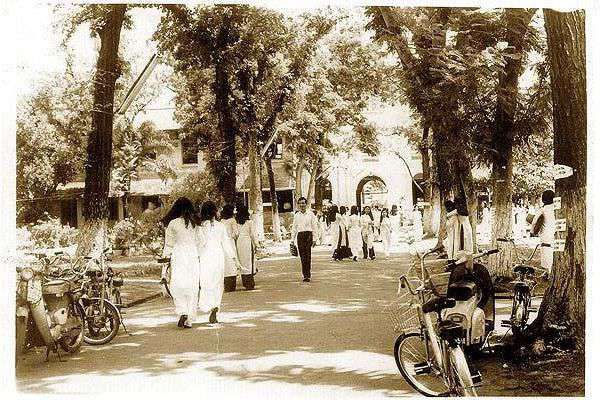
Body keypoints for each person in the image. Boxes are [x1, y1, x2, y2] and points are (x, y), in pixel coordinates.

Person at [161, 198, 203, 328]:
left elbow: (169, 244)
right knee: (192, 286)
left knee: (177, 284)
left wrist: (165, 259)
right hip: (192, 255)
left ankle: (182, 311)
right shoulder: (195, 223)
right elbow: (201, 241)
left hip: (178, 254)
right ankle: (189, 319)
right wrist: (199, 255)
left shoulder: (172, 223)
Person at [197, 201, 240, 324]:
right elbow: (226, 244)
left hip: (205, 256)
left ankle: (209, 305)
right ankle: (216, 306)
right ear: (215, 212)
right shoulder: (221, 226)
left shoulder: (200, 227)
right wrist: (234, 259)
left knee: (206, 282)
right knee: (218, 283)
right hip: (218, 256)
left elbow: (199, 244)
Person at [291, 197, 319, 282]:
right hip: (300, 236)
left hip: (308, 235)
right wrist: (292, 240)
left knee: (308, 255)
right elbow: (294, 228)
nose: (302, 205)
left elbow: (314, 227)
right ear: (298, 205)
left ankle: (308, 275)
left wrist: (315, 239)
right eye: (300, 203)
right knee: (302, 256)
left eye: (303, 203)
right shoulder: (296, 215)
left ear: (306, 204)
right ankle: (304, 274)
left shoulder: (311, 214)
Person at [234, 204, 260, 290]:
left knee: (242, 262)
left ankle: (245, 282)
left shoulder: (236, 222)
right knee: (249, 262)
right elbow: (253, 235)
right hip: (247, 243)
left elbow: (235, 234)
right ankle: (250, 283)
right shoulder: (250, 222)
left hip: (239, 243)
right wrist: (256, 244)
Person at [531, 189, 555, 275]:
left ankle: (550, 274)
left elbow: (534, 221)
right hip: (556, 234)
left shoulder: (543, 209)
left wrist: (532, 232)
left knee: (547, 254)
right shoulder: (556, 207)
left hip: (546, 236)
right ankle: (551, 273)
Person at [221, 204, 239, 292]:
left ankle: (226, 285)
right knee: (232, 262)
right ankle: (232, 285)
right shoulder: (232, 220)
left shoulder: (221, 221)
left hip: (222, 244)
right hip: (230, 243)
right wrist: (232, 237)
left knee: (225, 263)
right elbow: (236, 233)